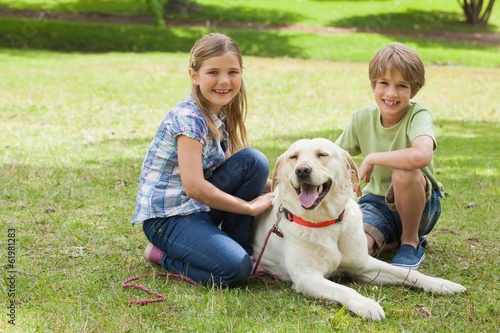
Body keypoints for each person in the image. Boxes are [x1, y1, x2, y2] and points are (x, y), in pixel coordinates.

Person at [132, 33, 274, 287]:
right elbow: (195, 187)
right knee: (235, 271)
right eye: (213, 72)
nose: (224, 81)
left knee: (254, 161)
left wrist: (284, 187)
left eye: (232, 72)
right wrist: (250, 208)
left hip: (196, 209)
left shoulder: (218, 113)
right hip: (169, 219)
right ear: (193, 76)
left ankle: (236, 247)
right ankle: (161, 254)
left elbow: (233, 166)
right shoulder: (189, 118)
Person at [335, 42, 443, 270]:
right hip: (375, 204)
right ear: (373, 85)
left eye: (401, 86)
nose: (391, 93)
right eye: (384, 83)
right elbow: (336, 156)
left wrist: (372, 157)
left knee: (404, 171)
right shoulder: (361, 118)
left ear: (413, 90)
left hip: (421, 204)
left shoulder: (418, 115)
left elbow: (422, 156)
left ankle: (411, 242)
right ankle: (389, 239)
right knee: (356, 249)